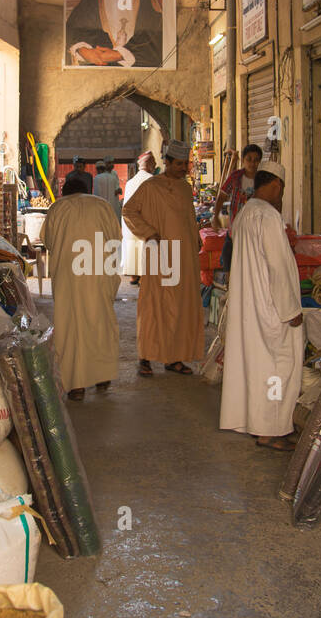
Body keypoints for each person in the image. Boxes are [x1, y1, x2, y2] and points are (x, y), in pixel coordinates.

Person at [220, 162, 304, 451]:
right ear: (277, 185)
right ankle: (271, 431)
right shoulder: (268, 216)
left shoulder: (245, 213)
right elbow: (278, 266)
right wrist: (290, 309)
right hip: (270, 306)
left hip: (250, 306)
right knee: (279, 367)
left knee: (258, 367)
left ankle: (259, 424)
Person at [122, 138, 204, 377]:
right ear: (167, 162)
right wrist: (149, 233)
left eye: (185, 164)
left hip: (184, 258)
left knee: (181, 308)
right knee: (153, 307)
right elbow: (128, 210)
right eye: (179, 164)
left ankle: (174, 359)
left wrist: (196, 238)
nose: (183, 168)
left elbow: (188, 220)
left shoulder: (185, 188)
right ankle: (145, 359)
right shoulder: (151, 186)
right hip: (160, 256)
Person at [40, 179, 121, 400]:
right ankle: (102, 376)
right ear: (87, 191)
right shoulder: (102, 205)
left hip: (69, 277)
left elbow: (47, 240)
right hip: (99, 272)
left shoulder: (58, 207)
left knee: (71, 326)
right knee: (100, 321)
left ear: (65, 193)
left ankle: (76, 386)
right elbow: (116, 238)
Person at [212, 144, 262, 272]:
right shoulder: (235, 177)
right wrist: (215, 216)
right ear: (243, 160)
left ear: (260, 162)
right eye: (249, 159)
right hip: (234, 232)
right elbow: (222, 196)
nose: (252, 163)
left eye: (256, 160)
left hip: (255, 234)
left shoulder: (262, 180)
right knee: (229, 264)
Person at [121, 150, 156, 283]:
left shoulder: (130, 182)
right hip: (145, 222)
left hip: (130, 224)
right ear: (150, 164)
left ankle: (134, 276)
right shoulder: (151, 180)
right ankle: (144, 276)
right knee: (144, 247)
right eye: (154, 163)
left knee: (132, 248)